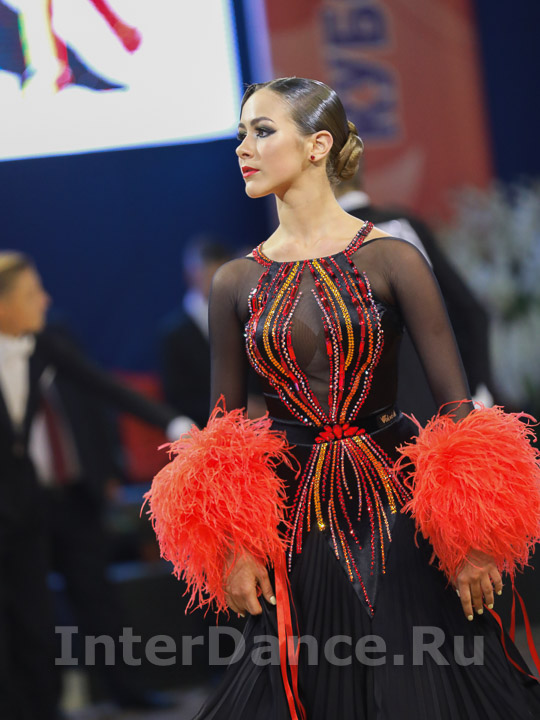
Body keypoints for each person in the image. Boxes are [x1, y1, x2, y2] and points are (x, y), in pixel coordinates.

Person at [147, 78, 540, 719]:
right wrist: (235, 546)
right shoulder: (233, 281)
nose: (243, 148)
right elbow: (223, 437)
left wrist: (472, 538)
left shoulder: (393, 259)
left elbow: (456, 411)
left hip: (398, 504)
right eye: (241, 134)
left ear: (318, 145)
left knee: (425, 683)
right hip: (293, 522)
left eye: (262, 131)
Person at [0, 252, 190, 718]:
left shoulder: (44, 341)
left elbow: (103, 386)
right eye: (31, 293)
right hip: (11, 507)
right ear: (2, 306)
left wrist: (175, 425)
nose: (45, 300)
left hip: (59, 496)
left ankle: (120, 692)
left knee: (85, 601)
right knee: (24, 617)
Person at [335, 172, 498, 423]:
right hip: (446, 410)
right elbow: (469, 310)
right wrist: (476, 391)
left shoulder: (317, 249)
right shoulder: (405, 224)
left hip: (376, 425)